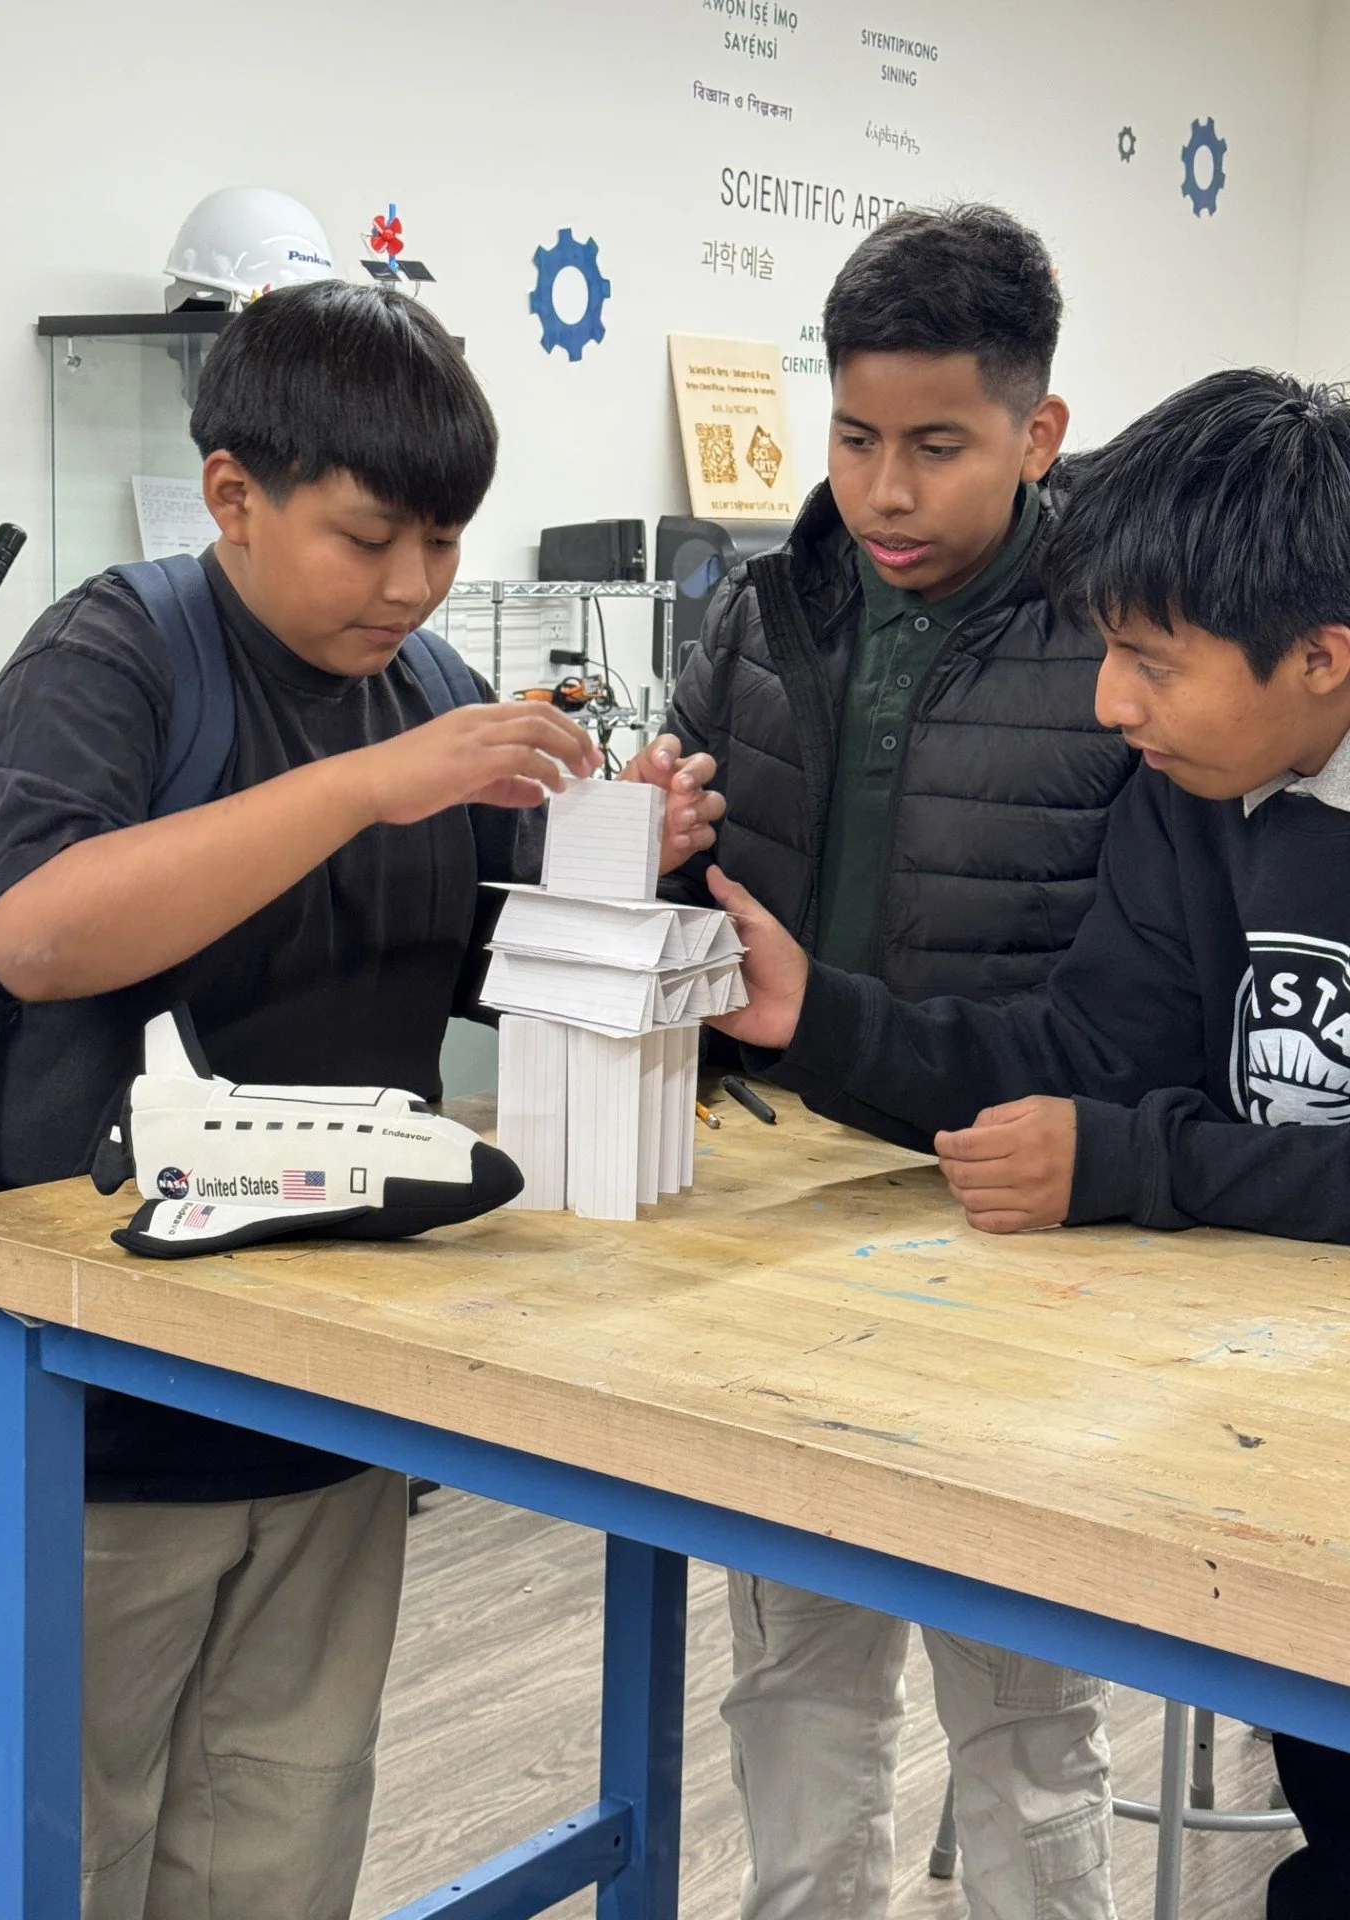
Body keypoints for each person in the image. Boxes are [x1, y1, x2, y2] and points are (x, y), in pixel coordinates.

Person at [0, 281, 715, 1920]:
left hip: (324, 1405)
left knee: (278, 1836)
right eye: (371, 539)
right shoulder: (114, 653)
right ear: (233, 496)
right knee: (35, 1850)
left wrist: (617, 847)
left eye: (444, 540)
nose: (416, 586)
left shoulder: (424, 687)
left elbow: (492, 957)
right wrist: (363, 785)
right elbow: (35, 931)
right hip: (83, 1411)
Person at [702, 366, 1350, 1920]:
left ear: (1323, 657)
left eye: (1148, 662)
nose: (1110, 704)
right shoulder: (1200, 791)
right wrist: (820, 1020)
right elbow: (1083, 1055)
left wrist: (1140, 1163)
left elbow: (1124, 1127)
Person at [625, 205, 1134, 1920]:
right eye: (855, 440)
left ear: (1036, 431)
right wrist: (654, 833)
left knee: (1026, 1713)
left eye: (936, 446)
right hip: (778, 1213)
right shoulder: (763, 610)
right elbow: (688, 877)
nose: (886, 491)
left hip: (1020, 1220)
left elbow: (1133, 988)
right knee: (794, 1678)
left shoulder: (1119, 651)